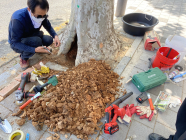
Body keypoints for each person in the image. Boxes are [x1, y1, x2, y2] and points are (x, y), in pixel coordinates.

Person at [8, 0, 60, 70]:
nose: (41, 18)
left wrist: (55, 36)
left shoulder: (41, 14)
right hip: (18, 42)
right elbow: (14, 43)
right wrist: (35, 50)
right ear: (29, 9)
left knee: (49, 39)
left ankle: (36, 48)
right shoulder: (18, 19)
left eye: (44, 15)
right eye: (38, 16)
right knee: (36, 41)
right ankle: (24, 57)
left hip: (32, 35)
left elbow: (47, 25)